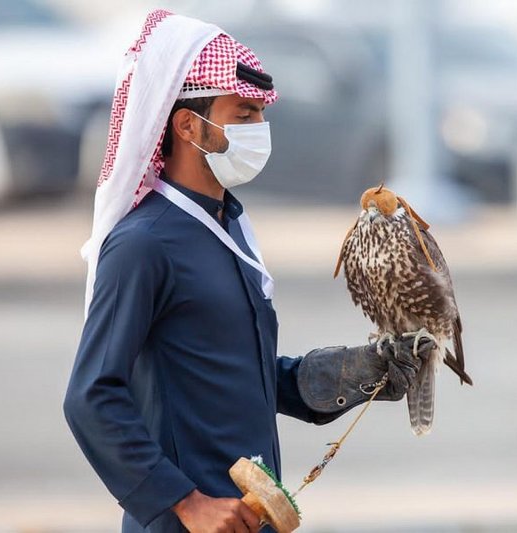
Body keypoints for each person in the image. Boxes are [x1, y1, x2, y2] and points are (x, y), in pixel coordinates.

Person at [63, 11, 432, 533]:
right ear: (188, 125)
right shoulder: (142, 246)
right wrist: (187, 504)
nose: (259, 131)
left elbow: (238, 374)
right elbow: (90, 397)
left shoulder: (230, 228)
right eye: (243, 114)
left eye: (261, 114)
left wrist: (355, 372)